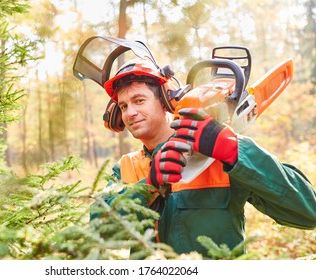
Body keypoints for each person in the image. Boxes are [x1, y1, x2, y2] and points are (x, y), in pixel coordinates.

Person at [90, 57, 316, 257]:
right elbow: (101, 233)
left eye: (139, 101)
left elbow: (308, 212)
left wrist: (234, 151)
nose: (130, 112)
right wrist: (148, 186)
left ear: (167, 101)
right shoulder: (126, 168)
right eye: (123, 106)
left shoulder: (220, 153)